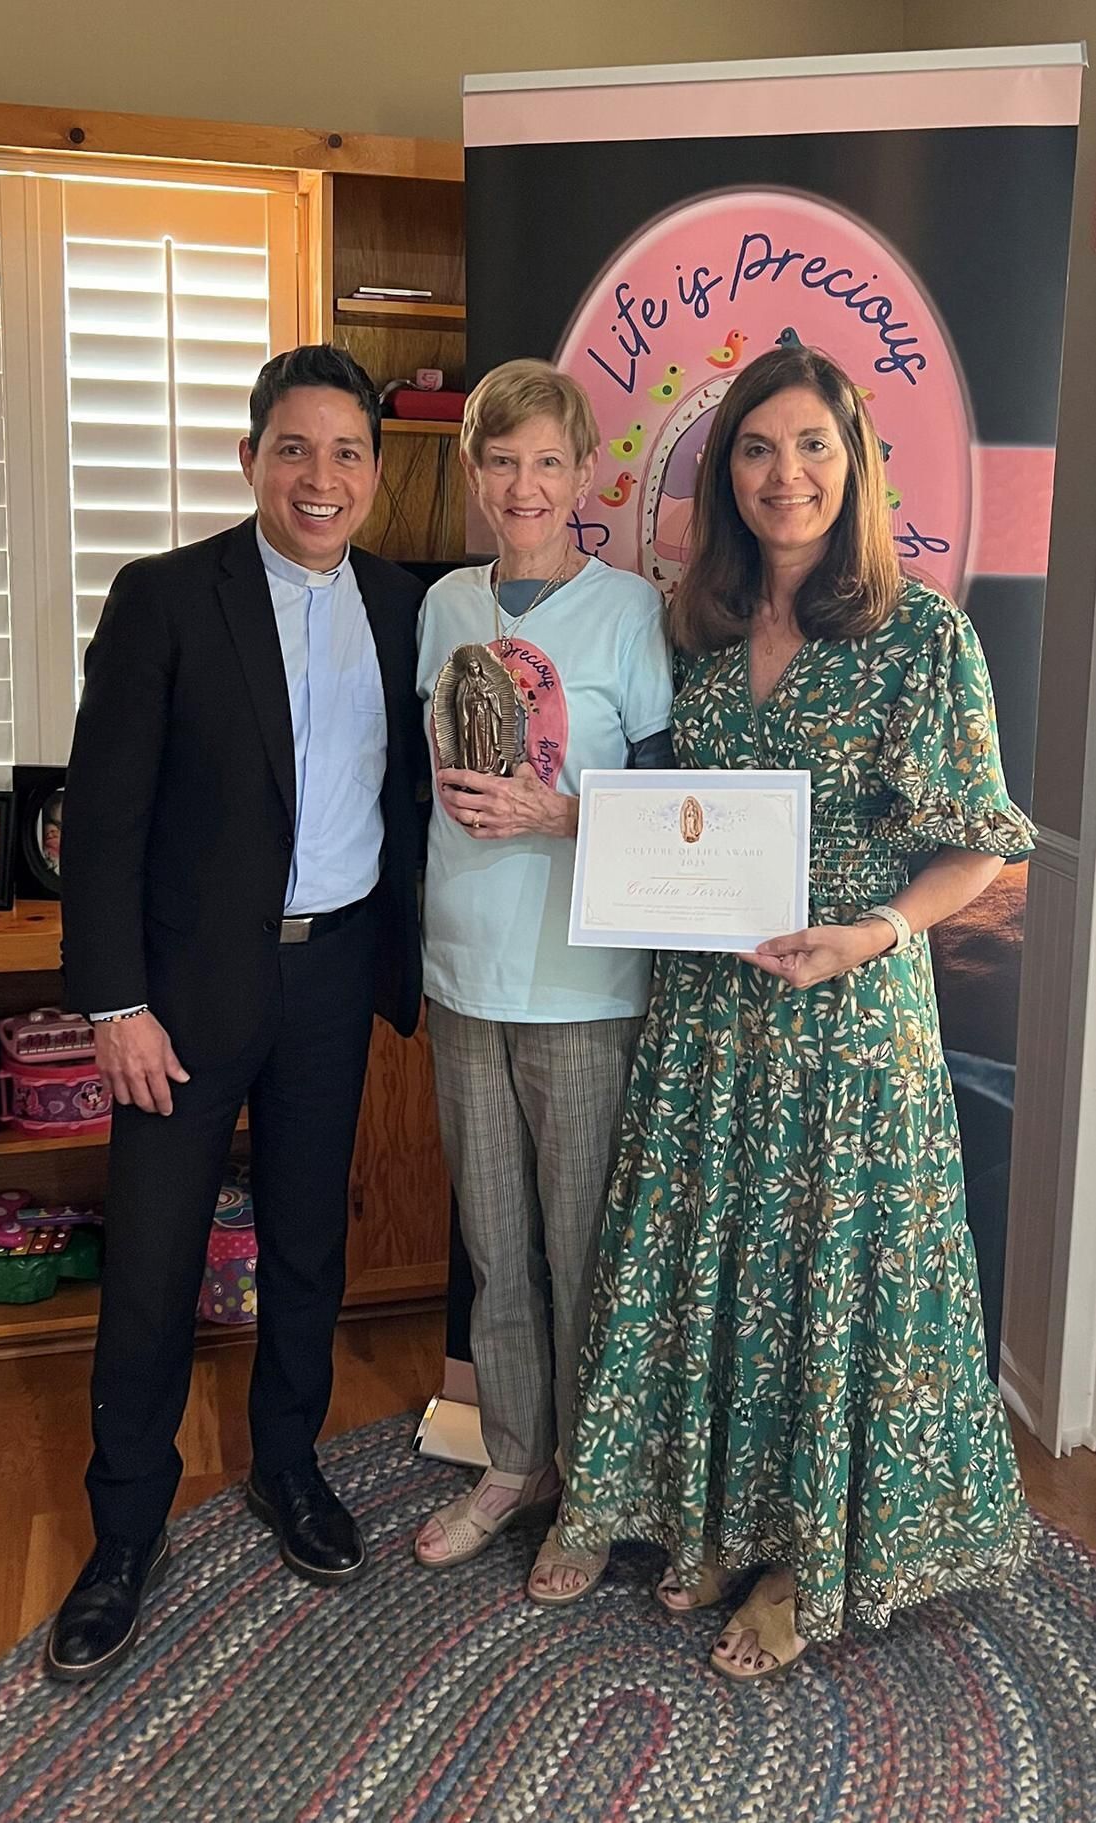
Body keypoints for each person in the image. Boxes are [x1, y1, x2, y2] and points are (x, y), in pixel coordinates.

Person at [530, 345, 1034, 1683]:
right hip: (707, 1013)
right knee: (726, 1270)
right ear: (723, 473)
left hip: (849, 1021)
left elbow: (979, 847)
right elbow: (662, 820)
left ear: (855, 464)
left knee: (825, 1285)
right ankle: (717, 1520)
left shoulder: (924, 636)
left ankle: (809, 1558)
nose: (785, 473)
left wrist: (873, 931)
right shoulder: (686, 628)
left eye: (812, 445)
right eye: (757, 448)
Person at [49, 345, 427, 1684]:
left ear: (376, 473)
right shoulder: (164, 597)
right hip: (184, 996)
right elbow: (101, 821)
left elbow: (421, 797)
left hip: (332, 974)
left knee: (309, 1243)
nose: (321, 477)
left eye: (346, 453)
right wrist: (115, 1002)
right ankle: (122, 1531)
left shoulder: (404, 606)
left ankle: (285, 1465)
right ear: (252, 457)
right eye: (295, 448)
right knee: (150, 1263)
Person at [412, 359, 673, 1574]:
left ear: (585, 478)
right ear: (475, 472)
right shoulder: (444, 608)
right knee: (495, 1250)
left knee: (583, 1251)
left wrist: (559, 816)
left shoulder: (628, 613)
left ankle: (596, 1487)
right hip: (463, 979)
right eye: (503, 460)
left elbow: (672, 809)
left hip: (582, 989)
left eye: (548, 461)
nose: (525, 483)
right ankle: (514, 1460)